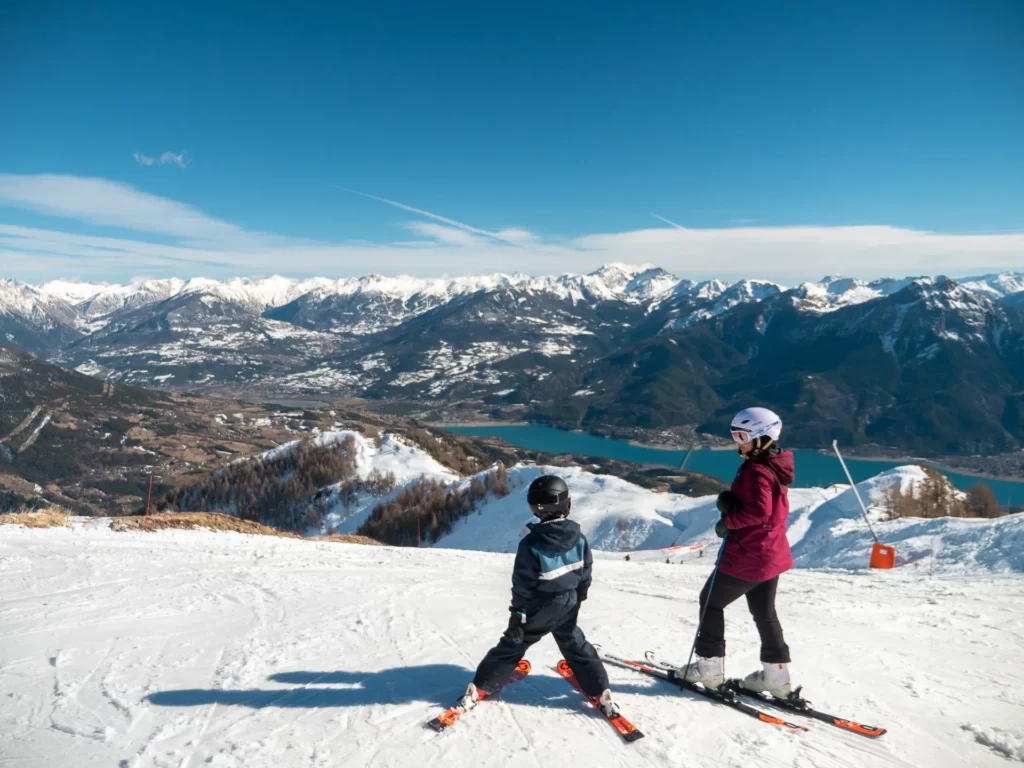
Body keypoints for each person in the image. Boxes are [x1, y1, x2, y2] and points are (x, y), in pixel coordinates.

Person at [459, 474, 619, 717]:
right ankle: (600, 691)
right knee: (574, 643)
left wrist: (517, 616)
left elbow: (522, 586)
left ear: (535, 508)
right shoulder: (579, 539)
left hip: (540, 606)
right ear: (565, 504)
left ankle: (481, 688)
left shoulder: (531, 544)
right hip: (569, 602)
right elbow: (585, 573)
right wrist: (578, 599)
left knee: (514, 643)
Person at [679, 407, 796, 698]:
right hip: (769, 556)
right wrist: (734, 502)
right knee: (765, 613)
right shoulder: (773, 465)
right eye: (734, 435)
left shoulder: (758, 470)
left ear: (762, 437)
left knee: (710, 603)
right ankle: (777, 679)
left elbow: (760, 512)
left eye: (742, 435)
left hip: (748, 556)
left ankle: (709, 671)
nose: (737, 442)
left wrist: (728, 521)